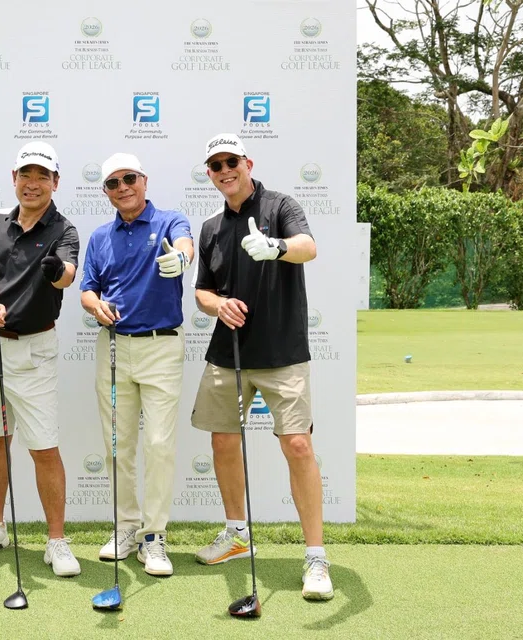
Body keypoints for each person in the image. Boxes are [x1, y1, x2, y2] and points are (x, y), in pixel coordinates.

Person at [190, 133, 333, 600]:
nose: (224, 170)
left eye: (231, 161)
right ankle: (236, 535)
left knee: (297, 445)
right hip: (227, 353)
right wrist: (219, 306)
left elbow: (308, 247)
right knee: (224, 442)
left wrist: (275, 247)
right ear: (209, 174)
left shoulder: (280, 205)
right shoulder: (210, 227)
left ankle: (315, 557)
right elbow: (202, 291)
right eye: (215, 166)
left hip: (282, 352)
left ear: (247, 163)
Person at [0, 141, 82, 577]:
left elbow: (67, 275)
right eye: (25, 175)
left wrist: (56, 271)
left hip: (33, 350)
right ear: (14, 179)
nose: (32, 184)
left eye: (42, 176)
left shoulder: (64, 229)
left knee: (43, 447)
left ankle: (57, 540)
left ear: (55, 182)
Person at [79, 153, 193, 577]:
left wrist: (180, 259)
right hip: (113, 347)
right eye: (113, 182)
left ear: (144, 180)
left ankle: (154, 536)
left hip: (160, 347)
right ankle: (125, 526)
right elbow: (87, 290)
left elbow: (185, 246)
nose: (122, 187)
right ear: (105, 191)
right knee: (116, 444)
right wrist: (95, 306)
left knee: (159, 444)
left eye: (129, 178)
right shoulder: (99, 237)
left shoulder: (169, 221)